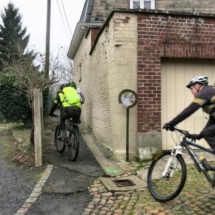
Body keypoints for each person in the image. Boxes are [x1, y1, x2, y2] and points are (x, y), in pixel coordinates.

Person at [163, 76, 215, 154]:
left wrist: (172, 123)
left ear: (197, 86)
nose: (191, 91)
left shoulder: (206, 92)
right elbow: (212, 119)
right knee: (206, 132)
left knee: (207, 133)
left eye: (191, 88)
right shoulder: (210, 92)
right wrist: (200, 135)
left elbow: (189, 110)